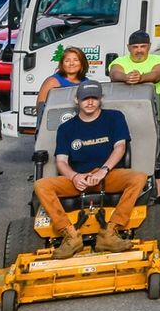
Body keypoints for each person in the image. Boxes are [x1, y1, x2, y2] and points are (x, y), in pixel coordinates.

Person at [36, 82, 148, 260]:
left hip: (106, 176)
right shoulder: (66, 128)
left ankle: (110, 232)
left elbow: (120, 147)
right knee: (41, 185)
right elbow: (61, 161)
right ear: (77, 100)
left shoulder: (115, 118)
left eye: (94, 98)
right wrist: (74, 176)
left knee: (140, 177)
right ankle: (70, 235)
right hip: (79, 178)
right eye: (85, 99)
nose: (90, 102)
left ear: (101, 99)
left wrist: (103, 170)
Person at [109, 29, 160, 201]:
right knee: (129, 156)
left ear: (149, 47)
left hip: (158, 118)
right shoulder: (120, 61)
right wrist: (125, 77)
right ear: (128, 47)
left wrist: (141, 77)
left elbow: (157, 74)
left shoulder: (159, 60)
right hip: (128, 119)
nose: (139, 50)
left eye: (143, 46)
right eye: (135, 46)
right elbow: (114, 73)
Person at [35, 45, 91, 111]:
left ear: (82, 63)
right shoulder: (52, 82)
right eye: (67, 61)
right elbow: (40, 108)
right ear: (62, 64)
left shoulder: (86, 82)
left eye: (76, 60)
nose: (71, 63)